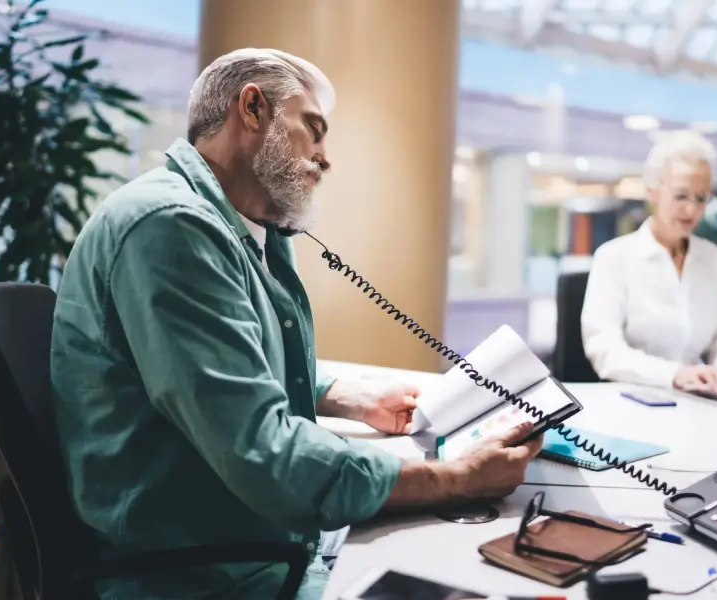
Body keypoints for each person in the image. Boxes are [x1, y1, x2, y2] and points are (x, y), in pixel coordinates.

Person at [50, 48, 544, 600]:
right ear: (253, 108)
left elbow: (221, 369)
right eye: (314, 130)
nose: (325, 158)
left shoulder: (240, 228)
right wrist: (457, 480)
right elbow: (261, 453)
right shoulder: (171, 228)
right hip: (204, 574)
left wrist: (341, 394)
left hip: (252, 545)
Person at [580, 129, 717, 395]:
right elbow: (605, 350)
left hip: (697, 402)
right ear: (652, 192)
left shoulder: (712, 259)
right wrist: (675, 375)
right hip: (630, 402)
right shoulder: (614, 258)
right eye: (681, 196)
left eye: (701, 198)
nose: (691, 209)